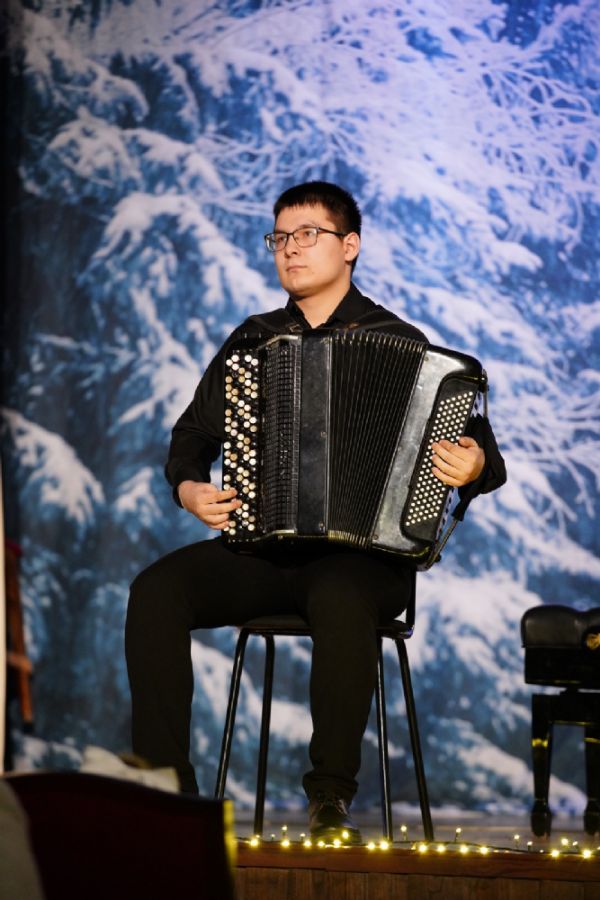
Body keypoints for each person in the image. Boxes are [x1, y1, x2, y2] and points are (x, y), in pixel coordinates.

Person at [125, 181, 506, 844]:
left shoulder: (402, 344)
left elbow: (484, 454)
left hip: (368, 564)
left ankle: (330, 796)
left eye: (308, 235)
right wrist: (188, 487)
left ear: (349, 245)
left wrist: (472, 466)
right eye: (280, 237)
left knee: (338, 590)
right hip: (265, 553)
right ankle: (166, 797)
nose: (290, 249)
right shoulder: (254, 341)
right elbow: (192, 435)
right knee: (156, 591)